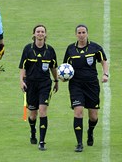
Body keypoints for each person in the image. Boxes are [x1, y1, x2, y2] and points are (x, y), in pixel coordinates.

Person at [63, 24, 109, 152]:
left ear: (87, 34)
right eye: (79, 32)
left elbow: (104, 61)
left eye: (83, 32)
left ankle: (90, 131)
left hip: (92, 85)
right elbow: (65, 67)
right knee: (78, 111)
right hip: (76, 85)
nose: (81, 35)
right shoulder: (70, 49)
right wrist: (63, 77)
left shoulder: (95, 48)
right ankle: (79, 143)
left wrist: (105, 74)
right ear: (76, 34)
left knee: (93, 116)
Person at [19, 25, 59, 151]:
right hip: (31, 84)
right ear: (34, 34)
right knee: (33, 114)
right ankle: (32, 131)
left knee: (42, 111)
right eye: (38, 32)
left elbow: (53, 67)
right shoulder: (28, 49)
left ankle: (42, 141)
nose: (40, 34)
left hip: (45, 84)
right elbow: (22, 67)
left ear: (45, 34)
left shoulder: (50, 50)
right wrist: (21, 81)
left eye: (42, 32)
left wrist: (56, 80)